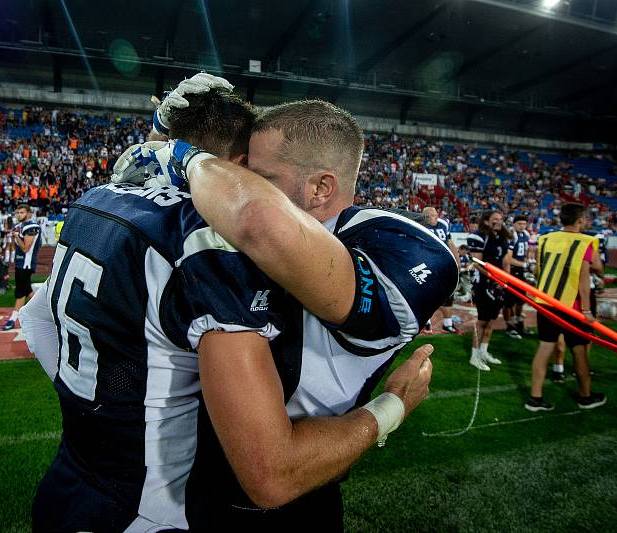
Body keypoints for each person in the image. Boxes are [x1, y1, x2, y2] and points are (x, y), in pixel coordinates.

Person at [24, 82, 456, 530]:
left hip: (271, 499)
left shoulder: (401, 248)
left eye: (259, 177)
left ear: (322, 187)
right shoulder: (211, 245)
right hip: (177, 503)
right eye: (242, 170)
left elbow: (261, 222)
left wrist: (180, 151)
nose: (240, 185)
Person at [525, 203, 606, 411]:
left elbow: (539, 271)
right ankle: (585, 397)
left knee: (544, 348)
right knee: (579, 351)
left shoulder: (545, 238)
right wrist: (587, 311)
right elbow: (584, 279)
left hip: (546, 302)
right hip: (572, 307)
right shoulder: (586, 241)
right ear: (580, 221)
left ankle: (535, 398)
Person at [466, 210, 511, 371]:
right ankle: (474, 355)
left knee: (491, 320)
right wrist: (495, 278)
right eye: (495, 219)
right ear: (486, 221)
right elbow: (478, 263)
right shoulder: (478, 236)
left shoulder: (503, 237)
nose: (499, 221)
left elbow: (506, 261)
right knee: (482, 321)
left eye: (501, 218)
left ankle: (484, 351)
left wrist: (505, 279)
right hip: (484, 283)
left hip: (498, 283)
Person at [2, 204, 41, 331]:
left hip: (26, 263)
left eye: (22, 212)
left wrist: (16, 236)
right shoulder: (19, 226)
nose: (19, 214)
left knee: (20, 291)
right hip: (20, 263)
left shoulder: (32, 227)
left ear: (29, 214)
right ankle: (47, 311)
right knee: (26, 290)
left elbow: (25, 248)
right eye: (18, 212)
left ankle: (13, 319)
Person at [422, 206, 459, 333]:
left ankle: (447, 324)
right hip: (428, 264)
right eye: (431, 216)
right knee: (427, 295)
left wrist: (457, 261)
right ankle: (425, 322)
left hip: (444, 265)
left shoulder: (443, 224)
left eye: (435, 215)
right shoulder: (419, 225)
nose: (435, 218)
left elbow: (450, 242)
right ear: (424, 217)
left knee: (448, 295)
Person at [502, 215, 531, 338]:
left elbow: (527, 251)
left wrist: (528, 262)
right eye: (519, 223)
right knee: (508, 302)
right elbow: (507, 259)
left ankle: (519, 322)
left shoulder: (526, 234)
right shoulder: (510, 235)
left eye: (524, 224)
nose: (522, 226)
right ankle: (509, 325)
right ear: (514, 224)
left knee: (521, 299)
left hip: (521, 270)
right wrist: (525, 264)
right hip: (511, 270)